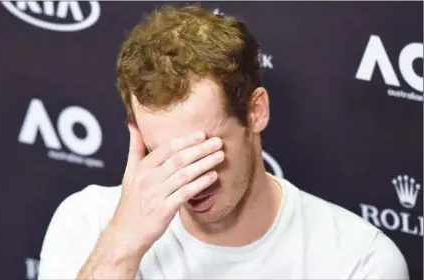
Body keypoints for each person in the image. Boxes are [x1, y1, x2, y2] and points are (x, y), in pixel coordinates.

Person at [38, 4, 409, 280]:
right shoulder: (89, 224)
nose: (190, 180)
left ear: (255, 112)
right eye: (163, 154)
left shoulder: (358, 260)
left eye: (204, 151)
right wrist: (120, 249)